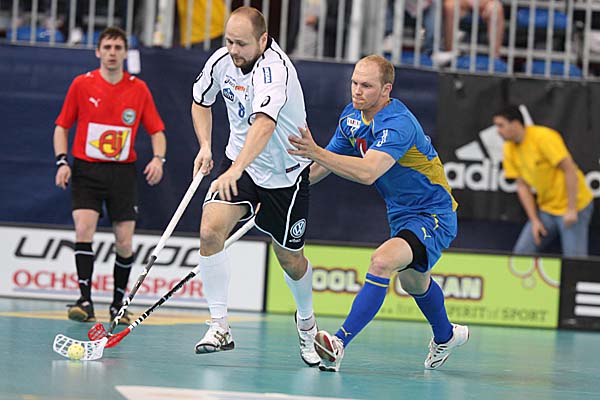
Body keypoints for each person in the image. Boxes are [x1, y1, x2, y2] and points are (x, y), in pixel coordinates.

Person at [288, 55, 469, 372]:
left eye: (367, 86)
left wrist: (316, 151)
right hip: (400, 214)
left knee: (382, 261)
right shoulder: (351, 116)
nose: (357, 91)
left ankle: (338, 344)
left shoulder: (398, 124)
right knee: (414, 283)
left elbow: (368, 172)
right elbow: (323, 165)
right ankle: (447, 335)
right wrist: (284, 190)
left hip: (433, 212)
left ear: (386, 90)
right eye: (354, 83)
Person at [190, 7, 320, 366]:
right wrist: (205, 146)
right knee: (210, 232)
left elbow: (263, 125)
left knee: (290, 259)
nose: (233, 50)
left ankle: (306, 321)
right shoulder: (222, 61)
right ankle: (219, 325)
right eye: (229, 41)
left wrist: (235, 170)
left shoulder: (275, 70)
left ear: (263, 40)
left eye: (241, 44)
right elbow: (200, 101)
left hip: (284, 174)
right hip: (241, 163)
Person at [53, 27, 167, 324]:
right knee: (83, 229)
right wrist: (62, 162)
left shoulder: (138, 89)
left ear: (125, 52)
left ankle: (118, 305)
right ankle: (84, 301)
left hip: (122, 174)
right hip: (87, 170)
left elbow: (157, 130)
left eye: (118, 47)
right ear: (98, 51)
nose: (112, 53)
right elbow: (62, 126)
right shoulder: (82, 84)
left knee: (124, 241)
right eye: (107, 47)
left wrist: (158, 159)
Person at [493, 105, 594, 257]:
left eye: (501, 125)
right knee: (521, 254)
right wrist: (534, 220)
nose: (498, 131)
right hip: (546, 209)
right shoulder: (508, 148)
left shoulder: (543, 137)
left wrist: (572, 209)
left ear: (515, 123)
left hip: (575, 206)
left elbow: (570, 170)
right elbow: (522, 186)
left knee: (574, 262)